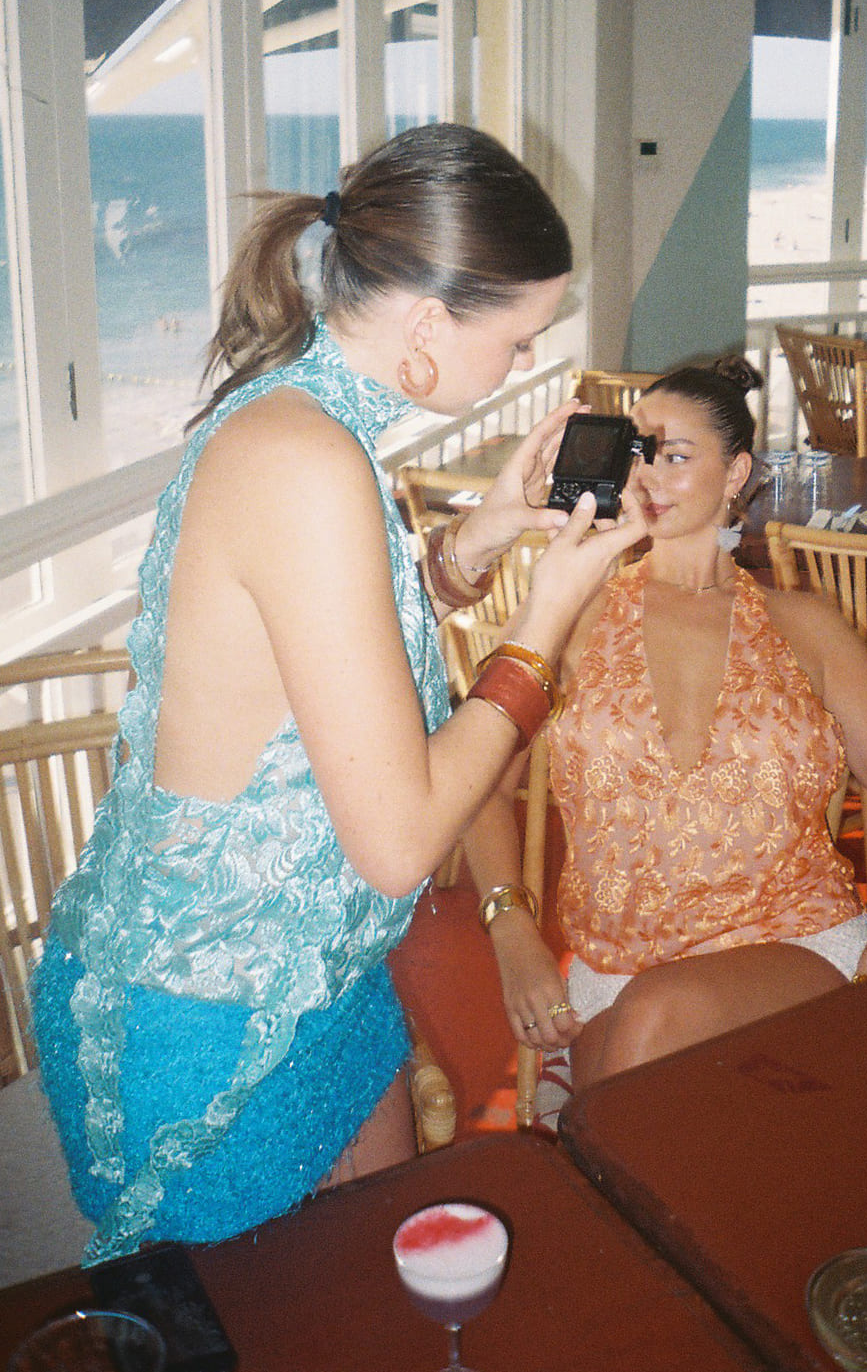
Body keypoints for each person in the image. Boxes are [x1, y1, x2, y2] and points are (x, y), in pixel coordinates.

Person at [32, 123, 644, 1261]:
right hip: (205, 1008)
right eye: (516, 341)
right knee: (303, 1319)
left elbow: (339, 640)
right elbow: (402, 841)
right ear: (427, 323)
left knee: (380, 1280)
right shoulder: (305, 459)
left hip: (319, 969)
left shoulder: (303, 423)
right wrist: (546, 614)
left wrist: (494, 529)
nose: (521, 367)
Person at [466, 356, 867, 1109]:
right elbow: (481, 789)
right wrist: (510, 929)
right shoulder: (570, 617)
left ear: (736, 473)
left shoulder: (806, 628)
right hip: (618, 970)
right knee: (654, 1051)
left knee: (652, 1042)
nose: (648, 475)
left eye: (676, 455)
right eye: (637, 453)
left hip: (793, 945)